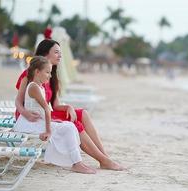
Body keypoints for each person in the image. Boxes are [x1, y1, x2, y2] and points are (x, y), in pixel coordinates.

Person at [15, 39, 124, 171]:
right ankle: (103, 160)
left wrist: (69, 107)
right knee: (75, 124)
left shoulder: (52, 76)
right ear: (45, 54)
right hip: (30, 115)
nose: (60, 55)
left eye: (60, 53)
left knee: (82, 114)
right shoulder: (30, 75)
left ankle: (105, 157)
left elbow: (55, 105)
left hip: (47, 111)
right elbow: (18, 101)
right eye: (56, 52)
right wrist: (26, 113)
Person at [13, 56, 95, 174]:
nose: (50, 76)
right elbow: (46, 109)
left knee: (69, 126)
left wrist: (54, 122)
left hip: (37, 121)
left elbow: (43, 111)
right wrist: (48, 131)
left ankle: (77, 163)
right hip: (29, 124)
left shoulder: (39, 86)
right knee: (69, 127)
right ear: (37, 72)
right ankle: (77, 163)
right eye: (47, 72)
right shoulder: (33, 87)